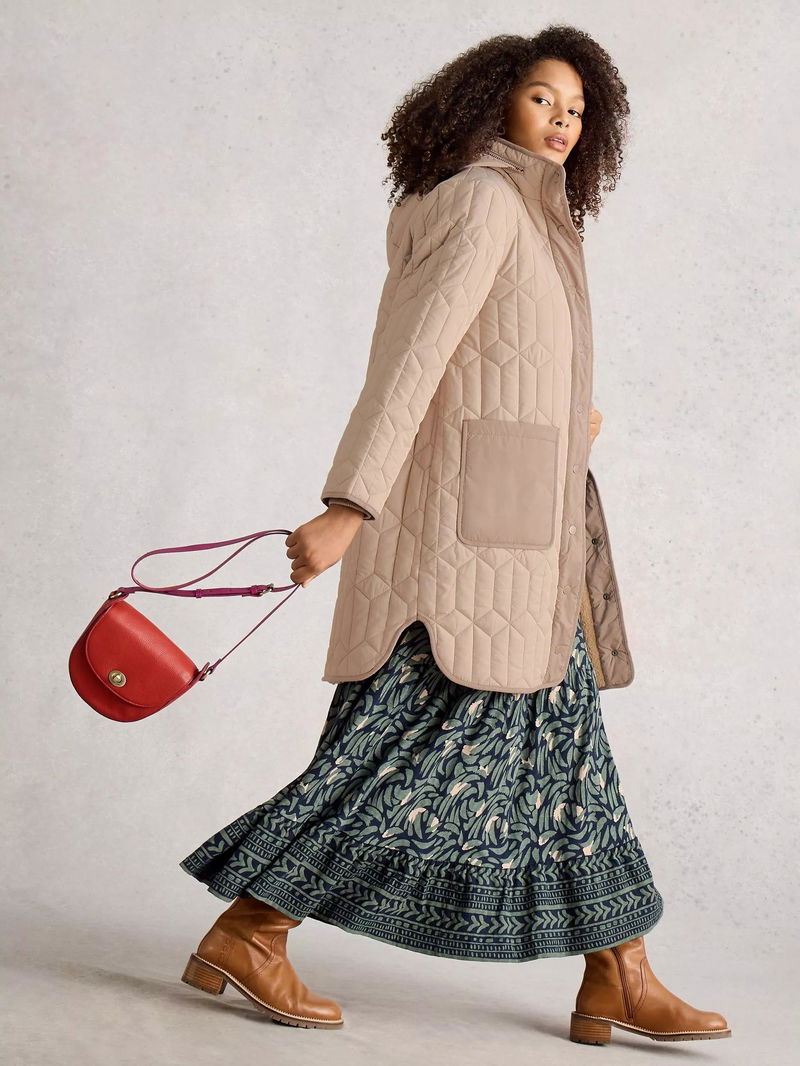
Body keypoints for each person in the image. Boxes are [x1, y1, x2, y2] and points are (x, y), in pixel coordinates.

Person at [177, 27, 732, 1046]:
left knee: (571, 756)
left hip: (529, 544)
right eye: (542, 99)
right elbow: (412, 362)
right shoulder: (484, 202)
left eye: (577, 110)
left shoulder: (541, 215)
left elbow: (494, 372)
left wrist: (566, 422)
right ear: (493, 100)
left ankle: (618, 971)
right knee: (393, 754)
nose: (562, 122)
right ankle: (250, 928)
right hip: (463, 554)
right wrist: (348, 507)